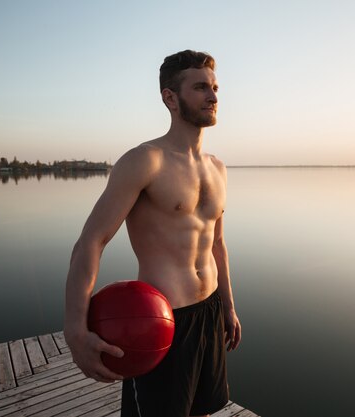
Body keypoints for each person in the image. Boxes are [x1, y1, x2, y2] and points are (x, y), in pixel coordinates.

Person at [64, 50, 241, 417]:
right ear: (170, 98)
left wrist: (228, 305)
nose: (213, 97)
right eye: (200, 88)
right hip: (161, 321)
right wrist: (75, 330)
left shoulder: (218, 168)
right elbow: (90, 243)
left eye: (215, 87)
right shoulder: (145, 161)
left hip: (208, 312)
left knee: (203, 410)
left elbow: (217, 244)